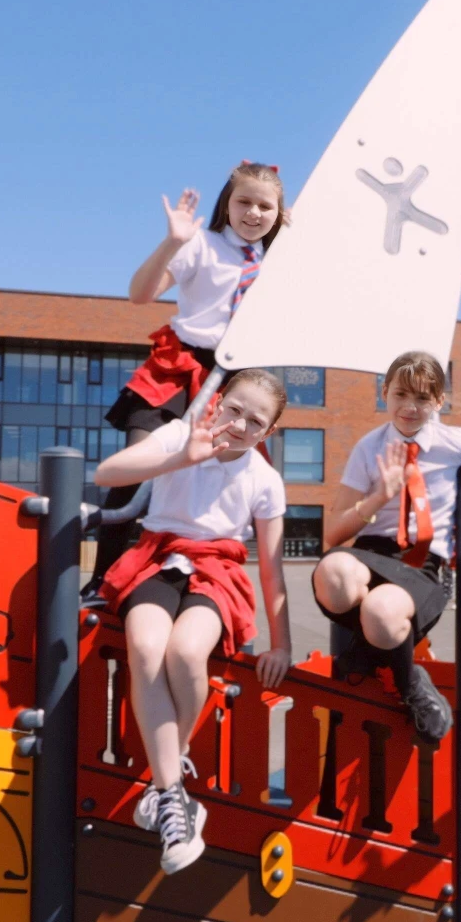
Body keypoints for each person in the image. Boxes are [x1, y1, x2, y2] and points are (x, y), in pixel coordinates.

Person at [92, 369, 295, 875]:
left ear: (267, 434)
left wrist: (282, 644)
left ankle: (168, 776)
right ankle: (173, 796)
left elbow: (271, 568)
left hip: (216, 570)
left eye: (256, 421)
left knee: (184, 653)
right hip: (158, 558)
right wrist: (183, 456)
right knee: (145, 648)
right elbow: (107, 473)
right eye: (235, 409)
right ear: (219, 401)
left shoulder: (264, 479)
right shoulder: (181, 433)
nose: (241, 424)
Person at [89, 161, 292, 595]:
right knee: (139, 467)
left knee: (220, 478)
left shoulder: (281, 264)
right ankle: (102, 578)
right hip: (180, 364)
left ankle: (200, 580)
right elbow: (140, 294)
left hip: (235, 378)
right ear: (227, 203)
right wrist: (172, 242)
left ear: (279, 213)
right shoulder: (203, 244)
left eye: (265, 206)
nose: (253, 213)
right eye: (244, 201)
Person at [313, 351, 461, 740]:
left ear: (439, 402)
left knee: (380, 612)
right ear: (385, 393)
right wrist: (380, 496)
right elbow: (333, 534)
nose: (410, 407)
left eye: (423, 399)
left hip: (423, 562)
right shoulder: (369, 447)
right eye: (401, 394)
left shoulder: (455, 441)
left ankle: (409, 682)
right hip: (372, 551)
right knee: (333, 572)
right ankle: (380, 651)